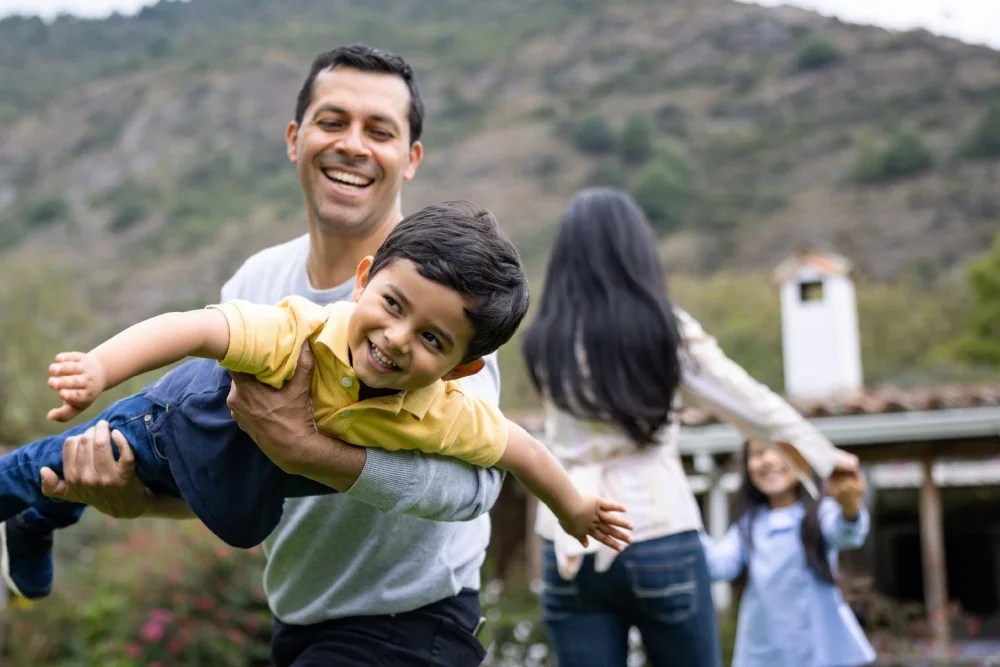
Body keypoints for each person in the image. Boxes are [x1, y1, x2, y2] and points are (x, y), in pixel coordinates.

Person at [10, 44, 512, 666]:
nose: (353, 145)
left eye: (379, 131)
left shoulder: (441, 306)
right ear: (294, 138)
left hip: (410, 622)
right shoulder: (257, 281)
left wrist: (310, 452)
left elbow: (475, 488)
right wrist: (132, 499)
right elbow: (222, 465)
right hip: (298, 617)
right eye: (333, 122)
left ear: (409, 159)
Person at [0, 202, 633, 590]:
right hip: (162, 422)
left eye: (432, 339)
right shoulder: (297, 330)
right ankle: (34, 519)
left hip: (226, 483)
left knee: (92, 489)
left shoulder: (442, 412)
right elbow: (195, 328)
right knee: (49, 469)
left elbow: (519, 451)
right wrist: (99, 368)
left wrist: (573, 506)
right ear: (363, 282)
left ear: (462, 369)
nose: (395, 338)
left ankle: (42, 517)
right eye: (392, 304)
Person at [520, 187, 858, 667]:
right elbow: (749, 402)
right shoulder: (664, 328)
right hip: (657, 528)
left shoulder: (544, 337)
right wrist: (826, 457)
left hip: (569, 530)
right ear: (636, 249)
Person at [701, 439, 876, 667]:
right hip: (764, 653)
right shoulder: (748, 526)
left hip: (822, 651)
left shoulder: (821, 514)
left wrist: (850, 507)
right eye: (758, 453)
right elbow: (719, 566)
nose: (769, 460)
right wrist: (685, 524)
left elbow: (847, 534)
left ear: (805, 460)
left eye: (781, 451)